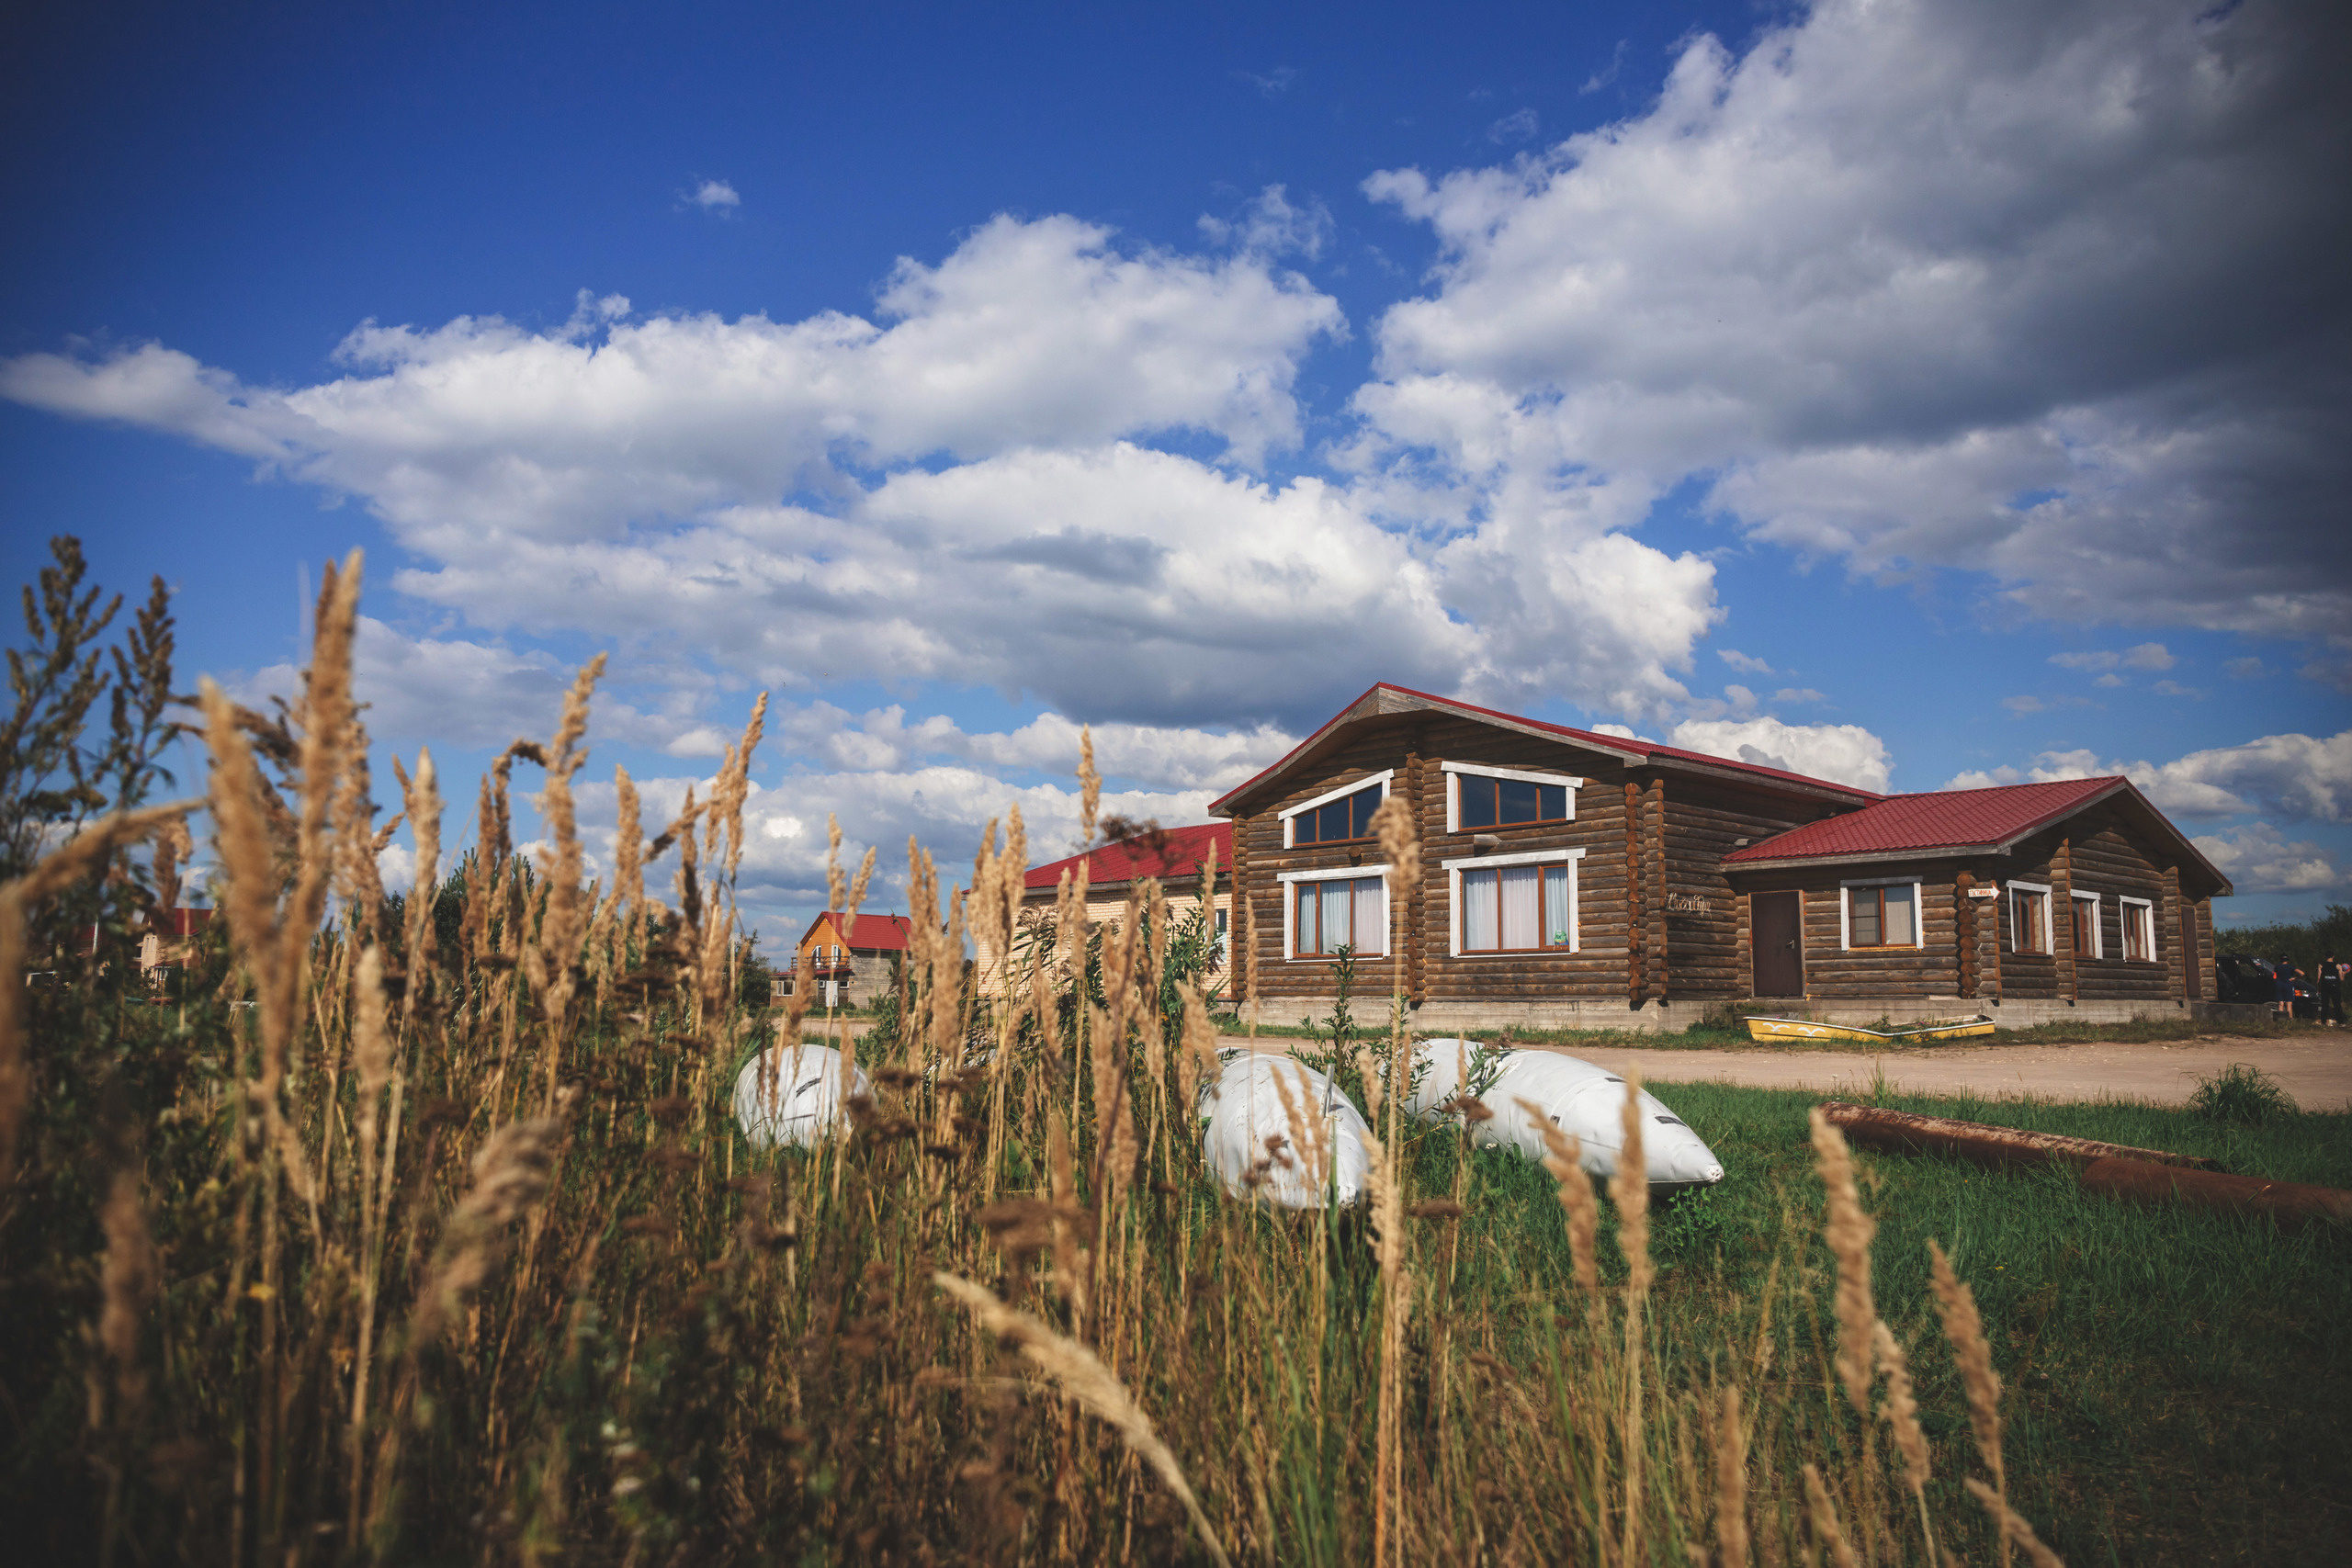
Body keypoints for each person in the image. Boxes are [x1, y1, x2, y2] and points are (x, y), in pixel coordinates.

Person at [2322, 953, 2345, 1027]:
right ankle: (2340, 1022)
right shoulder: (2338, 965)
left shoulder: (2321, 964)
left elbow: (2319, 978)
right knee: (2337, 1004)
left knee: (2325, 1004)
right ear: (2333, 956)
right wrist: (2344, 973)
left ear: (2325, 956)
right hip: (2335, 987)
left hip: (2325, 986)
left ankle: (2323, 1022)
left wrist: (2319, 987)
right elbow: (2341, 979)